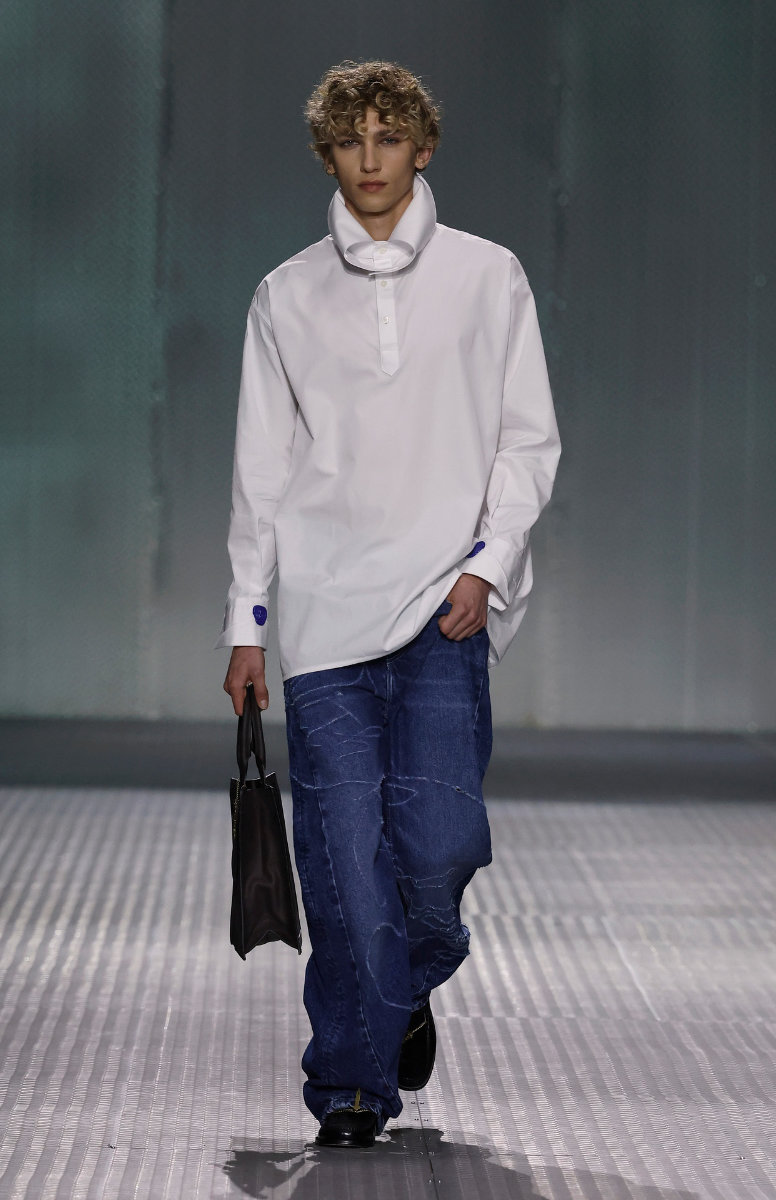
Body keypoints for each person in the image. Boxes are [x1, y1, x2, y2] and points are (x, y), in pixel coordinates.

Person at [217, 59, 560, 1148]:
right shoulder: (284, 295)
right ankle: (352, 1084)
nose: (370, 158)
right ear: (326, 155)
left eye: (389, 137)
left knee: (440, 846)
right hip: (323, 617)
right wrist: (246, 620)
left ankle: (398, 988)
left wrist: (486, 565)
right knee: (341, 865)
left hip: (442, 612)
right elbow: (261, 472)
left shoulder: (488, 276)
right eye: (349, 139)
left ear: (423, 147)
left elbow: (526, 440)